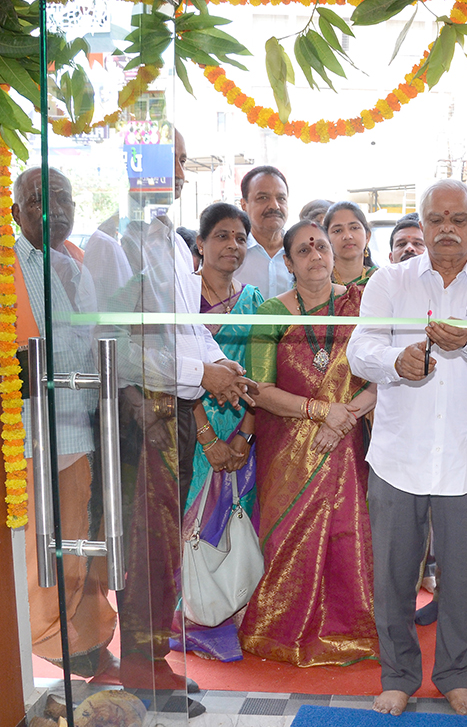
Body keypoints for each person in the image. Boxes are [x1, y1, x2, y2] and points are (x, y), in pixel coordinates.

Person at [347, 179, 467, 717]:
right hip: (398, 456)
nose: (447, 229)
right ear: (421, 225)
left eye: (458, 219)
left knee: (462, 579)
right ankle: (398, 676)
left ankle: (454, 675)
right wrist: (394, 362)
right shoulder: (390, 280)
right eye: (436, 219)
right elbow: (360, 349)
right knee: (393, 577)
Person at [104, 131, 255, 711]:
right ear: (134, 165)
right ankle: (139, 669)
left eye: (183, 162)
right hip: (140, 413)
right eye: (170, 162)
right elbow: (121, 345)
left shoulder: (169, 238)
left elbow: (184, 327)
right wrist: (202, 374)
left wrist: (220, 365)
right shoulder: (115, 241)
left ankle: (154, 660)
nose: (181, 174)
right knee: (145, 544)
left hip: (174, 410)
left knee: (165, 544)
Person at [236, 220, 379, 666]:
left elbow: (380, 376)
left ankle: (350, 629)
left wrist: (341, 418)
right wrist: (321, 412)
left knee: (347, 532)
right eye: (303, 250)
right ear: (288, 262)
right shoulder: (271, 313)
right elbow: (259, 390)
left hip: (347, 441)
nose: (316, 255)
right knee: (291, 538)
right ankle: (283, 630)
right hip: (288, 448)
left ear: (333, 253)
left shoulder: (362, 305)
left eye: (321, 247)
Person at [10, 166, 117, 679]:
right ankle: (49, 641)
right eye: (39, 200)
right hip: (34, 433)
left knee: (83, 546)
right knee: (45, 549)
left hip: (86, 427)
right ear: (16, 212)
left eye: (65, 197)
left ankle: (86, 639)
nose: (56, 208)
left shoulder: (78, 261)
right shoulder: (3, 262)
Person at [175, 203, 267, 663]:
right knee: (191, 523)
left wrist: (245, 436)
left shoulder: (255, 301)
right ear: (200, 243)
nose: (232, 245)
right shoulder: (182, 297)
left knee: (235, 519)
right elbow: (181, 369)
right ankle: (192, 617)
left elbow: (262, 374)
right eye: (222, 236)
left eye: (240, 238)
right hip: (190, 428)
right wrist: (208, 437)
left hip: (241, 431)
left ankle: (230, 610)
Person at [235, 165, 294, 298]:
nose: (274, 206)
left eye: (281, 198)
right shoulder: (230, 254)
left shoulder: (302, 253)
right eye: (263, 198)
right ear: (244, 204)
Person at [323, 200, 377, 285]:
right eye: (338, 230)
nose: (347, 236)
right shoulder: (318, 282)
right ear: (326, 239)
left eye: (354, 228)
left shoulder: (380, 279)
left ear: (367, 236)